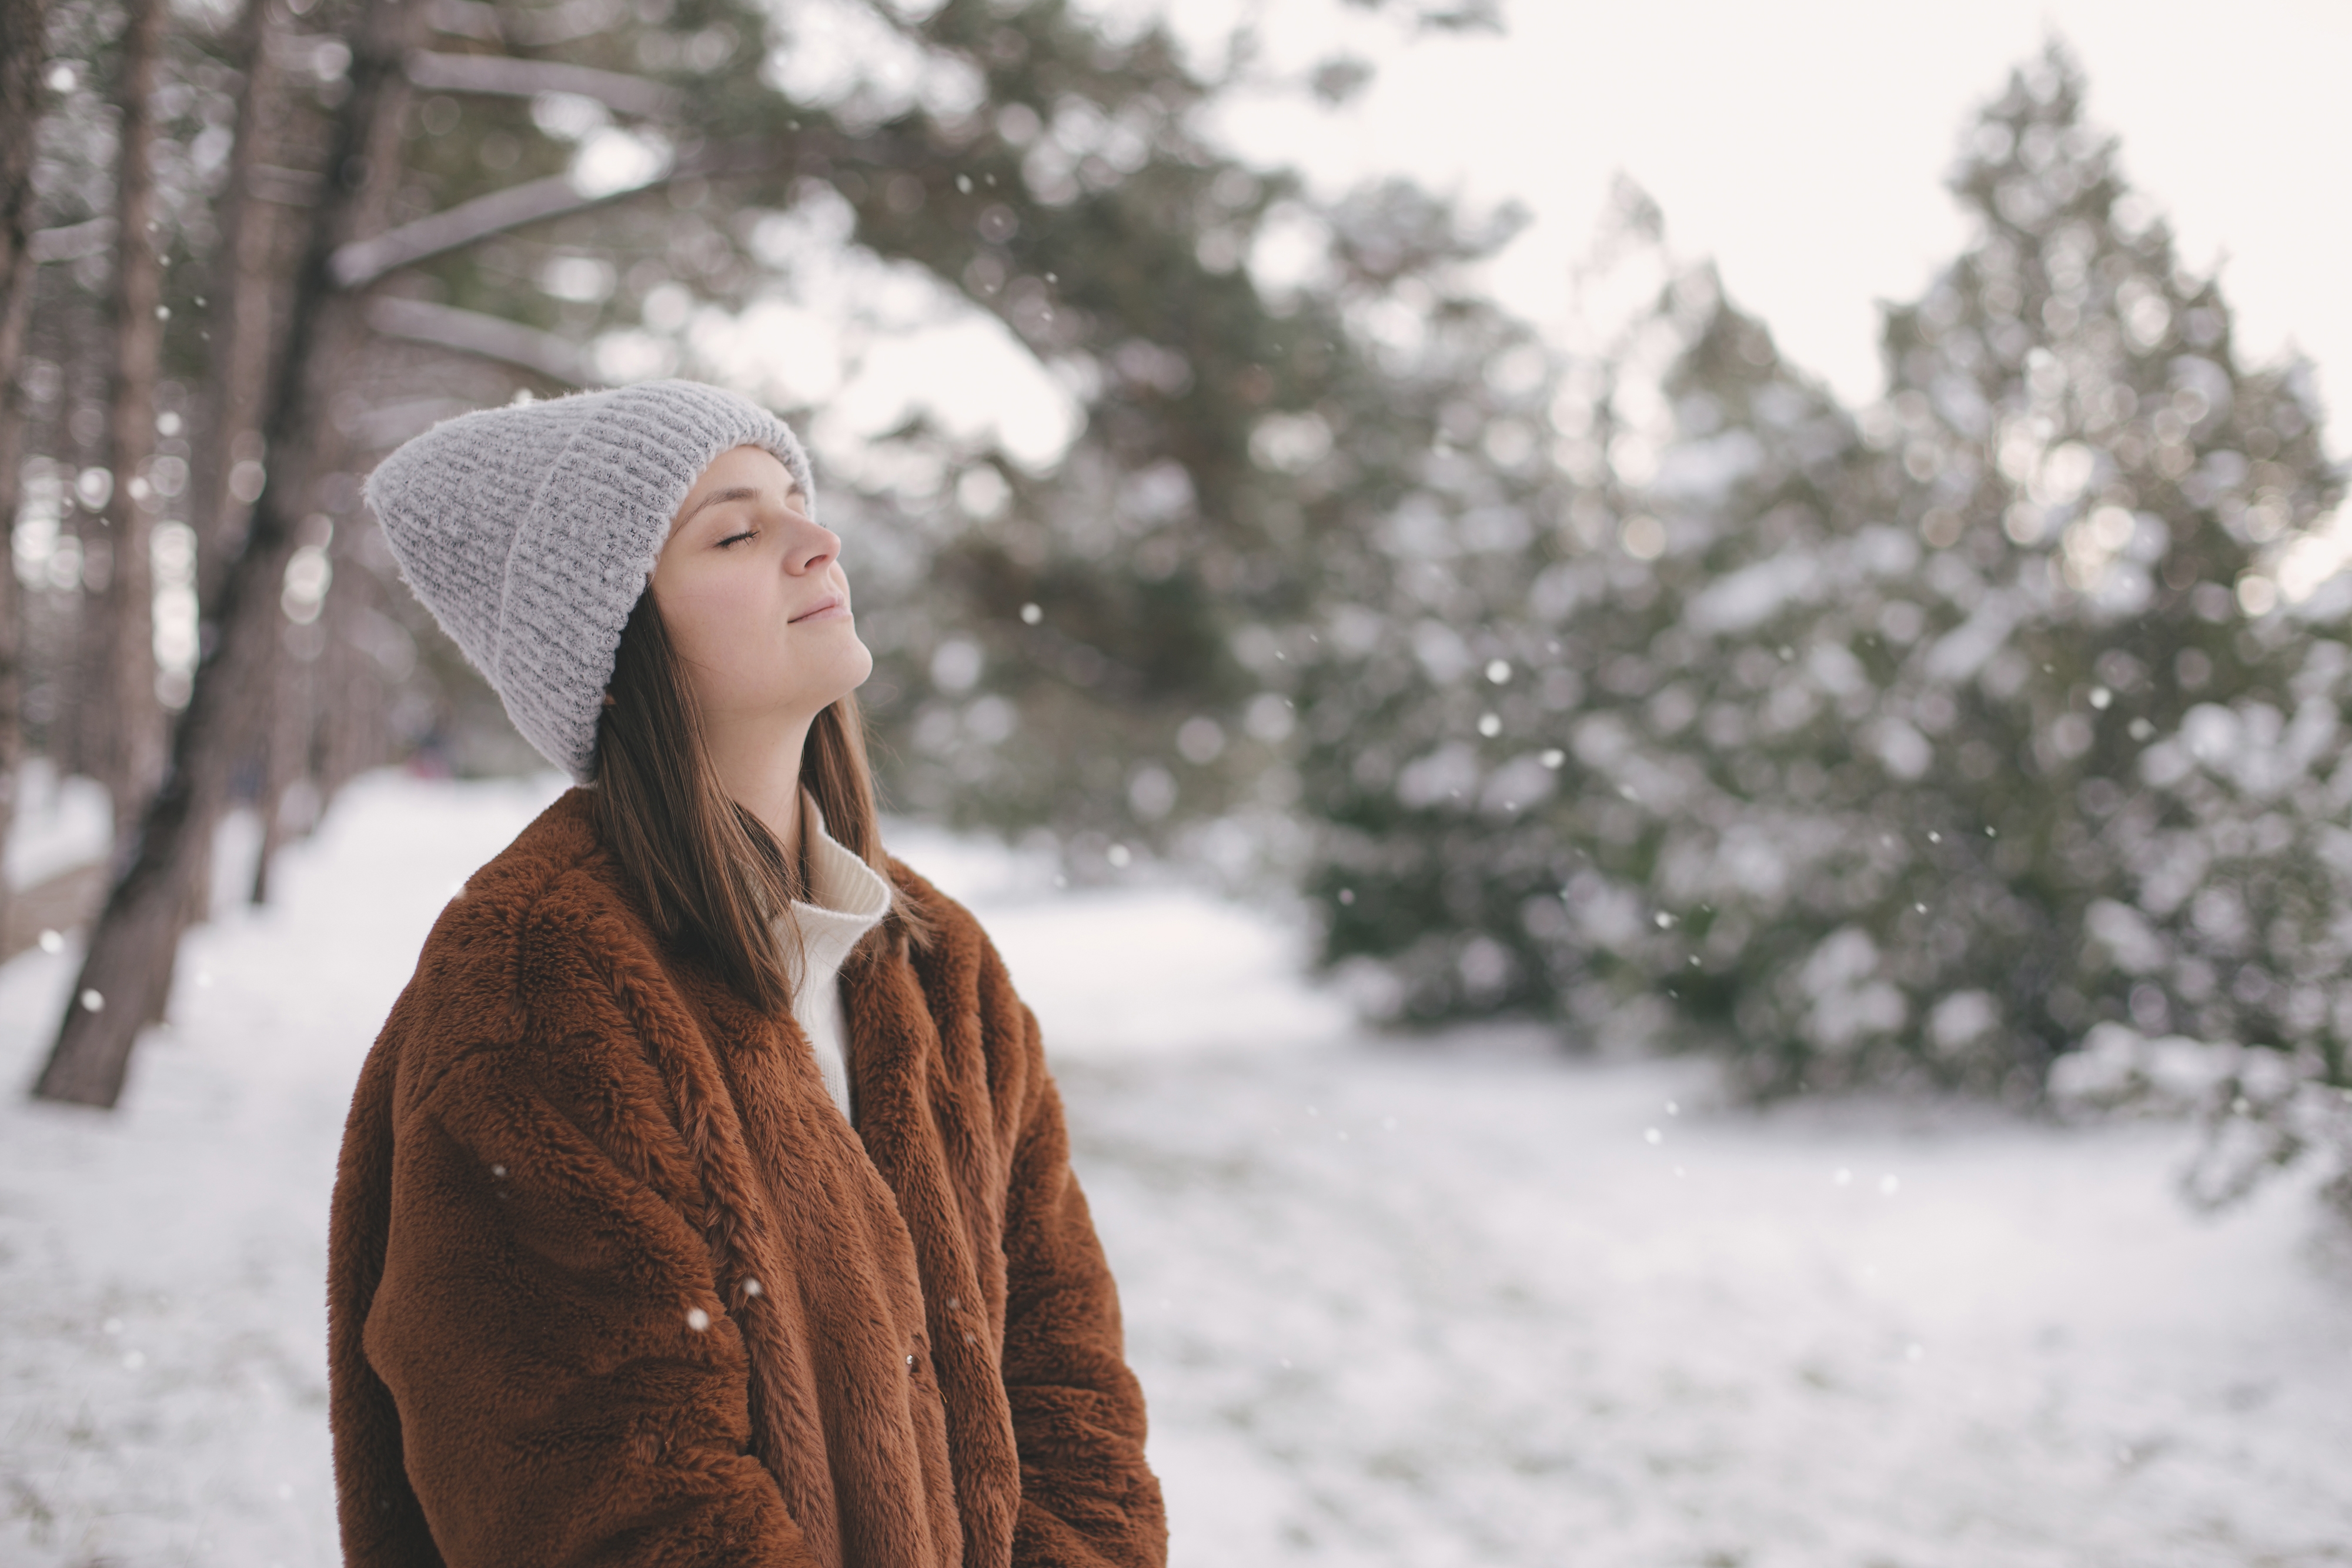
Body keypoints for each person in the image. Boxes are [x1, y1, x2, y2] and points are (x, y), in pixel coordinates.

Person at [326, 380, 1166, 1568]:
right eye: (734, 529)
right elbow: (608, 1496)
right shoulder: (537, 988)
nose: (815, 541)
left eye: (796, 504)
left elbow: (1068, 1377)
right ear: (610, 651)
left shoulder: (943, 970)